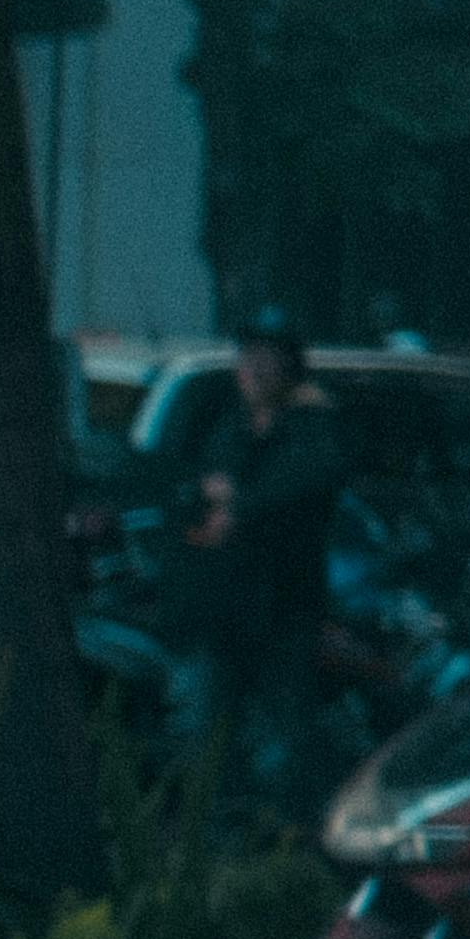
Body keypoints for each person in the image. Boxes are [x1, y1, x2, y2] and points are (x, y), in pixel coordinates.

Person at [170, 314, 347, 808]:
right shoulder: (231, 426)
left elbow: (309, 481)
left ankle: (291, 843)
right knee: (209, 737)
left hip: (285, 611)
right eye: (249, 358)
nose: (254, 369)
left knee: (291, 742)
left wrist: (240, 505)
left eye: (267, 358)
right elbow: (189, 487)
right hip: (225, 612)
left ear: (289, 366)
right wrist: (206, 493)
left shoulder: (312, 425)